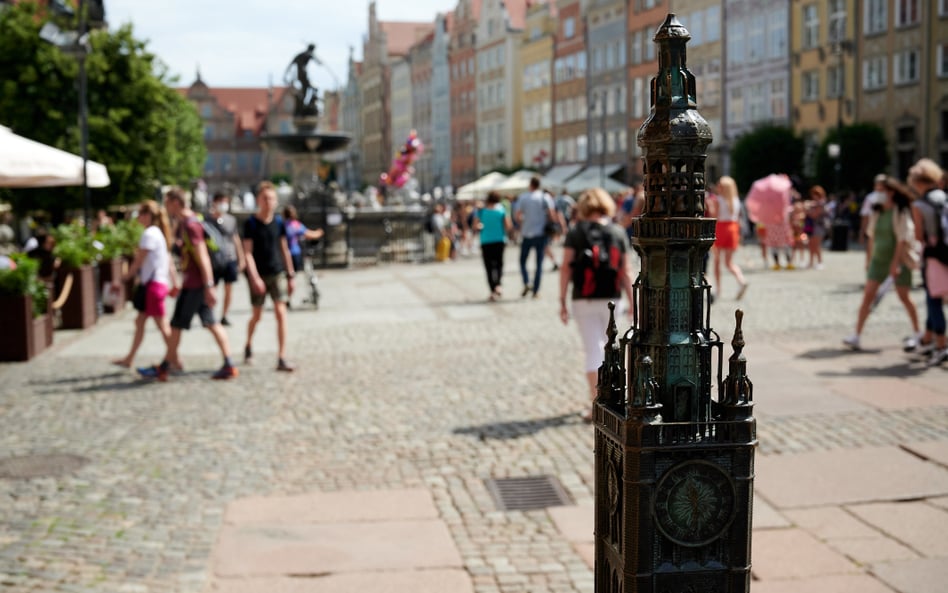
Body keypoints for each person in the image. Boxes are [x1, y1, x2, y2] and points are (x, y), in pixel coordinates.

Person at [138, 188, 238, 381]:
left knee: (177, 324)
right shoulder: (189, 222)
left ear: (176, 202)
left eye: (167, 203)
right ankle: (228, 363)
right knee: (209, 322)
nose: (165, 207)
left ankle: (166, 366)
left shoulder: (191, 225)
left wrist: (209, 285)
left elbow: (202, 256)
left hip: (195, 285)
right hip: (195, 284)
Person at [558, 188, 634, 422]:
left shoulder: (576, 232)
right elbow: (626, 271)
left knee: (593, 349)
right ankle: (614, 401)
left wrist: (562, 300)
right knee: (610, 348)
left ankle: (597, 404)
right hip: (613, 298)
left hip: (584, 297)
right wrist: (634, 303)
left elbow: (566, 267)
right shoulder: (618, 232)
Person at [843, 177, 920, 351]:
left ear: (890, 192)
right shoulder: (877, 211)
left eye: (880, 190)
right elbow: (872, 237)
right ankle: (857, 334)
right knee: (868, 296)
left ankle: (918, 332)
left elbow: (902, 239)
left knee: (904, 297)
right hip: (879, 260)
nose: (877, 193)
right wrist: (868, 259)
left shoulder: (900, 211)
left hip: (898, 260)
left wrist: (895, 264)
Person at [112, 200, 175, 368]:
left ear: (148, 216)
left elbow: (138, 262)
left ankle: (175, 359)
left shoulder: (150, 234)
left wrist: (123, 279)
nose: (138, 217)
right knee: (140, 322)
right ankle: (129, 358)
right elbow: (166, 261)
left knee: (162, 325)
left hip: (153, 286)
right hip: (157, 284)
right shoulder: (158, 233)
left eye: (140, 214)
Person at [243, 181, 296, 372]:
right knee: (256, 315)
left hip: (277, 272)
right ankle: (248, 344)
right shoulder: (251, 223)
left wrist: (291, 275)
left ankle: (281, 357)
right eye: (265, 198)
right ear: (258, 200)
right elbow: (247, 252)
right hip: (258, 274)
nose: (268, 202)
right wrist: (254, 277)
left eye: (272, 198)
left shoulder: (279, 223)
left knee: (281, 313)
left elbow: (284, 249)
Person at [908, 158, 947, 366]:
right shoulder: (945, 197)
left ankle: (941, 344)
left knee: (933, 299)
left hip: (933, 254)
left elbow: (918, 236)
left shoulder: (919, 204)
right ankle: (927, 338)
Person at [513, 176, 556, 298]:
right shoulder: (545, 197)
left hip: (527, 234)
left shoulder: (523, 197)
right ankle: (536, 291)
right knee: (539, 264)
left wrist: (524, 222)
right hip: (541, 234)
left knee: (522, 261)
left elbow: (518, 216)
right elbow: (552, 215)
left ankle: (527, 282)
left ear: (530, 184)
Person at [708, 176, 748, 300]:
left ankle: (718, 290)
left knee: (717, 261)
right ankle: (741, 280)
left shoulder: (718, 200)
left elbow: (714, 215)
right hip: (733, 229)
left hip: (720, 228)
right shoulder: (735, 200)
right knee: (729, 262)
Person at [208, 192, 245, 326]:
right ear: (215, 202)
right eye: (221, 202)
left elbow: (236, 239)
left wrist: (241, 258)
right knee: (213, 287)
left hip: (230, 258)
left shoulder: (231, 220)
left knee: (229, 288)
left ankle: (224, 315)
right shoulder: (208, 220)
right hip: (214, 259)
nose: (224, 205)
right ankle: (210, 314)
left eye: (225, 202)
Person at [472, 191, 512, 301]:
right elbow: (508, 226)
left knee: (489, 267)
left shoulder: (481, 211)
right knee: (499, 264)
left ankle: (492, 290)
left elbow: (475, 226)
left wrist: (482, 226)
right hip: (499, 240)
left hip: (486, 241)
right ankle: (498, 285)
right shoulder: (501, 210)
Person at [283, 204, 324, 277]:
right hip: (294, 253)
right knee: (292, 275)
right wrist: (319, 232)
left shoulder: (282, 225)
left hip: (282, 255)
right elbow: (310, 234)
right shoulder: (295, 225)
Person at [805, 185, 829, 270]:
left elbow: (814, 215)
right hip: (812, 226)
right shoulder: (814, 203)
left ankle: (820, 262)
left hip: (819, 226)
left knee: (816, 245)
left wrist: (807, 211)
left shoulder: (821, 203)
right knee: (811, 244)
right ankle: (811, 262)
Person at [859, 174, 888, 245]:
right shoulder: (870, 198)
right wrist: (862, 234)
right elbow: (865, 217)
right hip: (873, 231)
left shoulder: (890, 197)